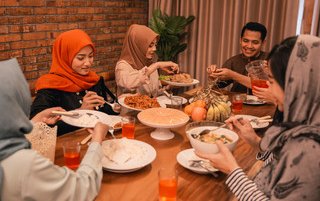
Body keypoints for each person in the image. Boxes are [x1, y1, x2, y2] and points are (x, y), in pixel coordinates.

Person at [0, 59, 109, 201]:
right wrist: (97, 140)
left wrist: (35, 121)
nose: (87, 62)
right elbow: (82, 187)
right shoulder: (23, 165)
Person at [196, 35, 320, 200]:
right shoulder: (304, 125)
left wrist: (232, 170)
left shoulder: (310, 149)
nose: (269, 89)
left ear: (296, 84)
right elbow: (281, 161)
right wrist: (255, 140)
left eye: (272, 82)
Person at [30, 29, 120, 136]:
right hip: (67, 148)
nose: (88, 63)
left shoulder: (93, 79)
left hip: (97, 140)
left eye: (90, 56)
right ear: (65, 57)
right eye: (81, 58)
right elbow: (39, 129)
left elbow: (101, 112)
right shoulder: (50, 86)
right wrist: (81, 111)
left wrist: (117, 106)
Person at [115, 24, 179, 98]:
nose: (154, 49)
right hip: (132, 110)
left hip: (153, 109)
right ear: (138, 45)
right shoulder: (122, 65)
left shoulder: (149, 63)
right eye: (150, 46)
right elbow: (127, 84)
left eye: (155, 45)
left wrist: (168, 87)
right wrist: (157, 65)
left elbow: (154, 94)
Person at [207, 22, 268, 93]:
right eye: (245, 41)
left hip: (264, 104)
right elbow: (217, 86)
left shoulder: (270, 60)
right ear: (240, 40)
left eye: (255, 42)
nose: (249, 46)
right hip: (237, 102)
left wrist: (232, 75)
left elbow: (262, 87)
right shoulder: (233, 61)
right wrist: (213, 75)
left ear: (263, 43)